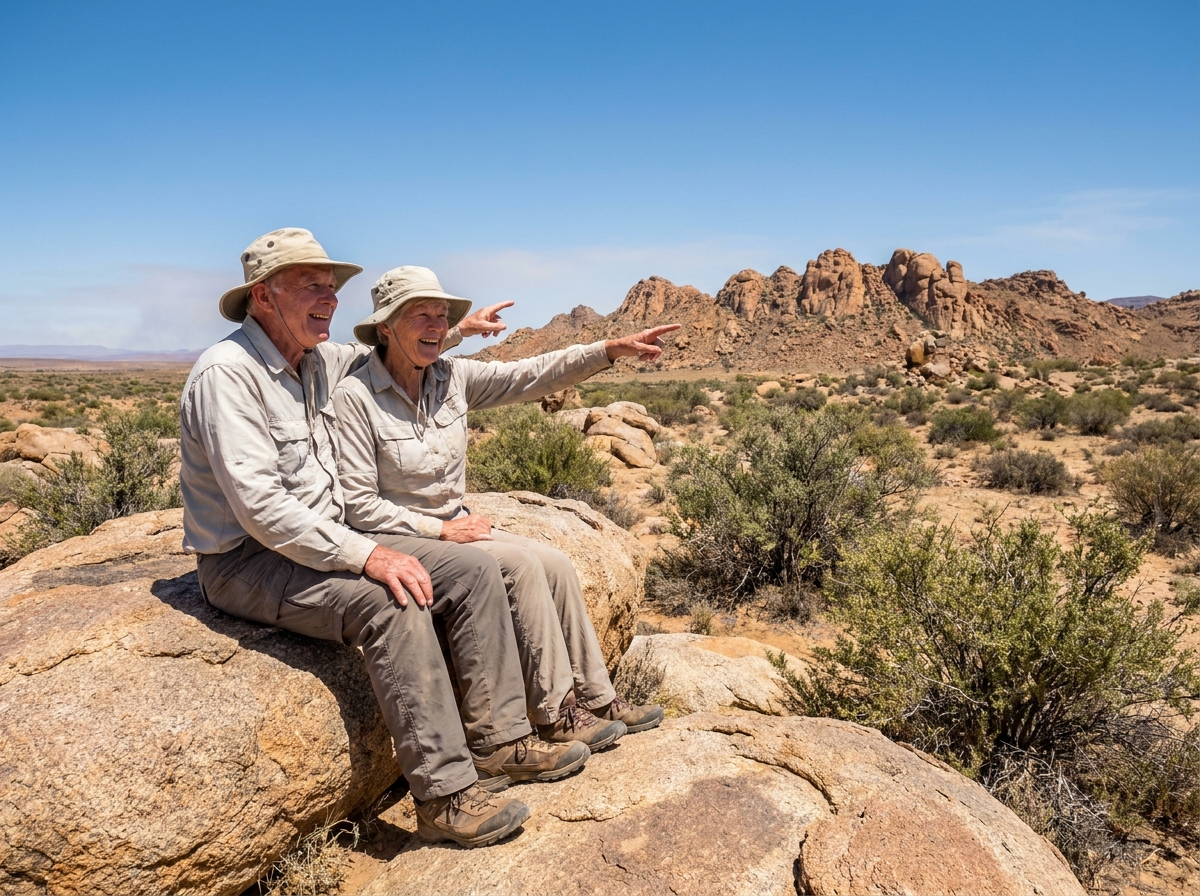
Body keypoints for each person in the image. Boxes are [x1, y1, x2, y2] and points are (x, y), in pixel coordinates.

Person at [179, 229, 588, 849]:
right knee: (391, 600)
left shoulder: (316, 360)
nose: (330, 299)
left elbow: (392, 351)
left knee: (470, 569)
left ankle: (501, 742)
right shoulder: (228, 375)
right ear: (263, 296)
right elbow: (261, 509)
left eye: (332, 287)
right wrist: (368, 553)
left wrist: (451, 330)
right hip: (250, 561)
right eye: (311, 285)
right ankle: (445, 796)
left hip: (324, 538)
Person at [332, 265, 677, 789]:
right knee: (516, 565)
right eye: (417, 313)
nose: (433, 323)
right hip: (397, 533)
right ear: (384, 325)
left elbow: (533, 372)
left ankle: (596, 699)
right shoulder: (355, 397)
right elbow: (358, 505)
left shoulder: (452, 378)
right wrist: (439, 530)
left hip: (453, 525)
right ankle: (553, 713)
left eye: (439, 314)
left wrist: (607, 349)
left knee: (556, 563)